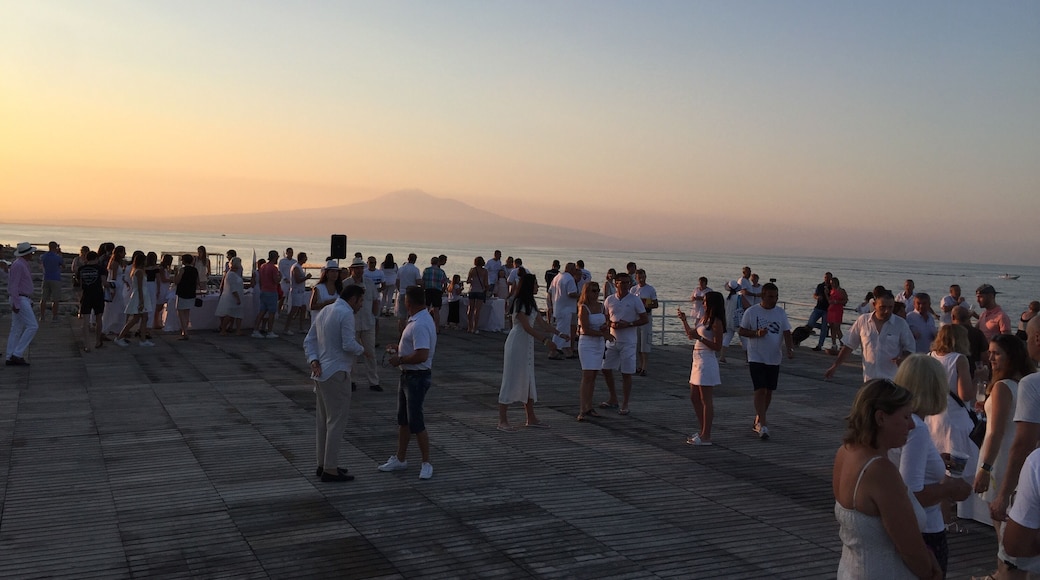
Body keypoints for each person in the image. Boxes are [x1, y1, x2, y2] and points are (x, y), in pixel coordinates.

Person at [833, 379, 943, 579]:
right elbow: (908, 547)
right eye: (906, 417)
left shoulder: (845, 452)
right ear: (881, 418)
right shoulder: (880, 471)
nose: (911, 425)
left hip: (850, 570)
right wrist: (930, 572)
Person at [893, 355, 973, 577]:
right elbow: (912, 494)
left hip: (909, 530)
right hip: (925, 530)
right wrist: (951, 489)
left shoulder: (903, 421)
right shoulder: (917, 429)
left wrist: (935, 458)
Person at [972, 333, 1036, 577]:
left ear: (1012, 357)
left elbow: (995, 434)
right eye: (989, 352)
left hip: (999, 462)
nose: (990, 358)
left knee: (1003, 533)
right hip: (1020, 462)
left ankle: (1001, 575)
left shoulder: (1002, 387)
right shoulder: (1027, 384)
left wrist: (984, 469)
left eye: (996, 353)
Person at [303, 284, 368, 483]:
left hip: (321, 372)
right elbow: (348, 343)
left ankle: (322, 463)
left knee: (323, 422)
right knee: (336, 421)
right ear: (354, 299)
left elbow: (309, 340)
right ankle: (330, 469)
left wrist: (313, 360)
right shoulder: (346, 313)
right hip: (337, 373)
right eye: (361, 301)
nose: (361, 305)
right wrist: (363, 350)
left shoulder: (325, 310)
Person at [989, 317, 1040, 563]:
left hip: (1031, 473)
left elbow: (1023, 445)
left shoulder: (1033, 384)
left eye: (1029, 337)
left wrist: (1003, 494)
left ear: (1037, 339)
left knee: (1013, 550)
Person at [379, 286, 437, 480]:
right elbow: (417, 347)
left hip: (416, 377)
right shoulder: (419, 319)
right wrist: (399, 349)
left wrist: (400, 360)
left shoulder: (420, 323)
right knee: (403, 420)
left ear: (408, 302)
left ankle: (426, 462)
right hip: (408, 376)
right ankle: (400, 458)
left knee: (416, 422)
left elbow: (422, 354)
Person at [497, 274, 565, 432]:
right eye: (535, 283)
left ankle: (531, 417)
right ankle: (502, 420)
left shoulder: (531, 303)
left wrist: (559, 333)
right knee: (511, 378)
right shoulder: (519, 302)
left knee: (528, 378)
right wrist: (546, 341)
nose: (537, 286)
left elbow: (542, 324)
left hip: (526, 344)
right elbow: (527, 327)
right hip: (517, 342)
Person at [739, 283, 794, 440]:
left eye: (776, 296)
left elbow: (787, 332)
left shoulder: (780, 313)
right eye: (770, 296)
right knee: (760, 389)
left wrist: (790, 349)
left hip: (774, 357)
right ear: (763, 296)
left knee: (769, 391)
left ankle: (759, 417)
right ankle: (763, 424)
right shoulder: (752, 312)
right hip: (756, 355)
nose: (774, 300)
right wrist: (756, 333)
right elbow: (741, 331)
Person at [826, 290, 915, 382]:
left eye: (890, 307)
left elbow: (910, 348)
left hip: (892, 379)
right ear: (874, 305)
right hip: (869, 378)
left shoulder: (900, 324)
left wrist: (903, 358)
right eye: (883, 307)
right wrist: (835, 366)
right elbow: (849, 345)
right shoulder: (863, 321)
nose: (887, 311)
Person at [677, 291, 724, 446]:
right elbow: (691, 335)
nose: (703, 303)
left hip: (707, 359)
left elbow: (717, 346)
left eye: (705, 301)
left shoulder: (716, 322)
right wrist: (684, 320)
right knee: (694, 397)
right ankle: (703, 429)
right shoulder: (703, 319)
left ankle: (706, 435)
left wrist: (701, 338)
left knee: (706, 399)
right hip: (697, 358)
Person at [599, 272, 648, 415]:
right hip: (613, 340)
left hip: (629, 341)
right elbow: (606, 317)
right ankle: (613, 398)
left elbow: (645, 319)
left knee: (626, 373)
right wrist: (610, 325)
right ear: (616, 284)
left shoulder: (635, 300)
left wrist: (629, 324)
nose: (626, 285)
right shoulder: (609, 300)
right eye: (623, 283)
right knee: (606, 369)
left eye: (628, 283)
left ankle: (625, 403)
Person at [577, 281, 613, 422]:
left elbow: (605, 322)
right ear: (586, 292)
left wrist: (605, 328)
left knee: (594, 376)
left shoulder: (601, 306)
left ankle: (589, 406)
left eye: (597, 290)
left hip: (598, 343)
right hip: (587, 343)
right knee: (587, 376)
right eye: (593, 290)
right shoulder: (583, 307)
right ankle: (582, 409)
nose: (595, 293)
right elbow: (585, 329)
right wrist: (603, 335)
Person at [344, 256, 381, 392]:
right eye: (357, 268)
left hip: (368, 322)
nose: (359, 271)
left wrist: (375, 316)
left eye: (361, 268)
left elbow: (376, 300)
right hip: (351, 323)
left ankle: (373, 381)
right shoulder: (346, 284)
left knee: (370, 352)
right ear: (351, 269)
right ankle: (352, 380)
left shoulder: (370, 283)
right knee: (352, 353)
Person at [5, 242, 39, 366]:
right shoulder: (19, 265)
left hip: (21, 298)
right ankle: (17, 354)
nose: (32, 254)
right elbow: (14, 285)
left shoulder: (20, 264)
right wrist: (17, 303)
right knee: (32, 326)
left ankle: (10, 355)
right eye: (31, 252)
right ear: (27, 253)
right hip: (20, 298)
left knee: (16, 328)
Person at [115, 253, 155, 347]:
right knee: (136, 319)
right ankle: (120, 337)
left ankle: (142, 339)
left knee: (141, 318)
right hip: (140, 295)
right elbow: (140, 287)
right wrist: (141, 301)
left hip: (142, 294)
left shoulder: (138, 270)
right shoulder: (139, 272)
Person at [76, 251, 106, 352]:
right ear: (96, 259)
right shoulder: (101, 269)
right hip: (98, 294)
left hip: (86, 295)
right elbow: (104, 283)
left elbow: (80, 285)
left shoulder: (81, 269)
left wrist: (80, 297)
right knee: (98, 319)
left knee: (86, 321)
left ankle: (87, 345)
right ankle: (97, 341)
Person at [549, 263, 580, 359]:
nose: (576, 271)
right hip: (566, 308)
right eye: (574, 269)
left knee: (564, 329)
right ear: (571, 269)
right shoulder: (569, 279)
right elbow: (571, 294)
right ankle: (553, 351)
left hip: (558, 307)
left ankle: (567, 351)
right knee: (561, 331)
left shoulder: (557, 277)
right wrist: (582, 296)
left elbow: (550, 291)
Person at [631, 269, 658, 377]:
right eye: (639, 277)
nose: (641, 279)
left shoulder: (650, 289)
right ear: (636, 278)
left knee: (645, 343)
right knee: (637, 343)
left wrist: (645, 303)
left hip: (646, 317)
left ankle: (644, 367)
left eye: (642, 276)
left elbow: (655, 303)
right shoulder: (633, 289)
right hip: (636, 318)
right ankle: (639, 365)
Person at [252, 250, 281, 338]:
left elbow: (260, 280)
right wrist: (280, 277)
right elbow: (276, 281)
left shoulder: (263, 267)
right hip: (271, 291)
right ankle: (270, 331)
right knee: (271, 312)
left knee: (262, 312)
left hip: (263, 290)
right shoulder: (273, 268)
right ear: (275, 257)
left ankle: (256, 330)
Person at [101, 245, 128, 336]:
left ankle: (115, 328)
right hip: (116, 288)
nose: (125, 253)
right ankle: (110, 328)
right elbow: (113, 278)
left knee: (118, 309)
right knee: (116, 309)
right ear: (120, 253)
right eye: (124, 252)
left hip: (120, 286)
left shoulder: (118, 262)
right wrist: (113, 290)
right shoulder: (115, 263)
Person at [214, 257, 245, 336]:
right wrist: (237, 298)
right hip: (232, 297)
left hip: (237, 295)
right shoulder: (231, 274)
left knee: (238, 314)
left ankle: (238, 330)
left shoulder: (234, 274)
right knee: (228, 314)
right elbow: (233, 288)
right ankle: (223, 330)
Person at [282, 252, 311, 336]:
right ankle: (286, 328)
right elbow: (297, 280)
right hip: (296, 292)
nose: (306, 258)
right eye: (305, 257)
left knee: (303, 308)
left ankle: (301, 328)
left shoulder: (299, 267)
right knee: (293, 310)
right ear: (302, 258)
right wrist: (306, 277)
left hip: (301, 292)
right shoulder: (296, 267)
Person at [172, 254, 199, 341]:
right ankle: (185, 331)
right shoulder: (195, 270)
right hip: (191, 293)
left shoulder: (182, 270)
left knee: (181, 313)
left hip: (182, 293)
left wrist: (176, 273)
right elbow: (198, 281)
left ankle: (184, 332)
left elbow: (176, 281)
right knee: (187, 313)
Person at [396, 253, 422, 334]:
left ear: (408, 258)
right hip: (412, 294)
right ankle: (409, 333)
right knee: (411, 315)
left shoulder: (401, 269)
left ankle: (401, 333)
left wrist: (400, 289)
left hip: (402, 292)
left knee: (402, 316)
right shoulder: (415, 270)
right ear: (415, 260)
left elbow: (397, 281)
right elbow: (418, 281)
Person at [808, 272, 833, 352]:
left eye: (828, 278)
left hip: (827, 310)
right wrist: (817, 297)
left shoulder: (833, 287)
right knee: (810, 323)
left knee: (823, 328)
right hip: (818, 308)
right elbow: (814, 295)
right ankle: (823, 328)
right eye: (826, 277)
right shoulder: (820, 286)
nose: (827, 279)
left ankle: (819, 345)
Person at [421, 256, 448, 329]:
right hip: (437, 291)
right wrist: (442, 290)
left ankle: (423, 325)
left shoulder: (426, 270)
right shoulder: (441, 271)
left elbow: (422, 281)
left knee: (425, 309)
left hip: (428, 290)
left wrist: (423, 289)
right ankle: (436, 327)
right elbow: (445, 283)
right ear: (438, 262)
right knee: (436, 310)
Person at [39, 241, 63, 322]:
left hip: (46, 277)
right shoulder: (57, 257)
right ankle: (54, 316)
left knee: (43, 299)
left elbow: (41, 263)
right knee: (55, 299)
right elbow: (63, 265)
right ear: (56, 247)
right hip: (55, 278)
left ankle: (42, 316)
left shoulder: (44, 256)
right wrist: (60, 254)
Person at [466, 256, 489, 334]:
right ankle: (475, 328)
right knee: (477, 310)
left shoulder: (472, 270)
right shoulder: (485, 271)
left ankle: (469, 327)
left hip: (472, 291)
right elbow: (486, 283)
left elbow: (468, 281)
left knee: (470, 309)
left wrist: (473, 282)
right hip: (480, 291)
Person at [827, 276, 848, 351]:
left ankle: (842, 344)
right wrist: (826, 294)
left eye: (832, 283)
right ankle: (833, 344)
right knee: (832, 327)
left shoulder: (841, 291)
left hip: (837, 310)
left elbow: (845, 300)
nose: (832, 285)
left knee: (837, 327)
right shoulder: (832, 290)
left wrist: (837, 302)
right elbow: (829, 300)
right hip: (831, 309)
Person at [277, 247, 296, 313]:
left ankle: (290, 312)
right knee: (283, 297)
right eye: (290, 252)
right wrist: (284, 278)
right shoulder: (282, 261)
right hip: (284, 282)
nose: (291, 254)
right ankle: (278, 311)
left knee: (292, 298)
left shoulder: (294, 262)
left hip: (292, 283)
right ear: (287, 253)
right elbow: (280, 270)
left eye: (292, 252)